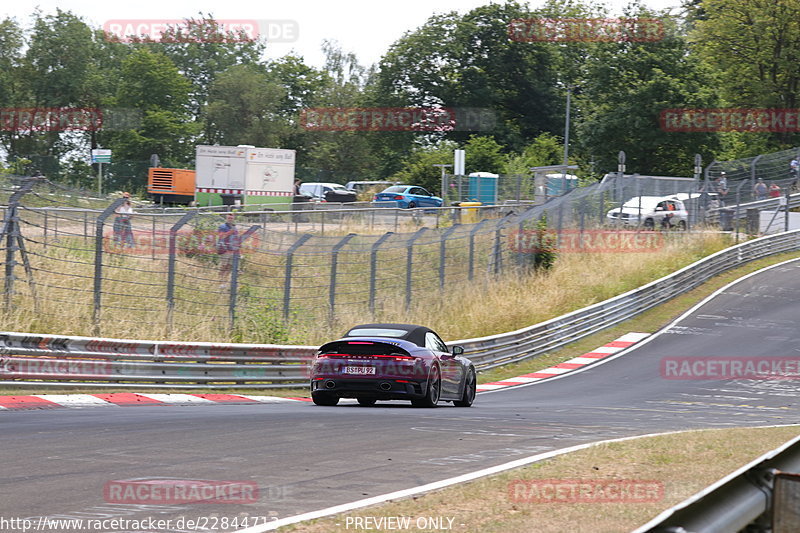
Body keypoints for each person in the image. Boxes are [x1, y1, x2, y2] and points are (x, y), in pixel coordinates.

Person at [217, 213, 240, 285]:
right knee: (223, 266)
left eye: (231, 218)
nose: (230, 219)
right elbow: (221, 237)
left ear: (233, 219)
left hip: (232, 250)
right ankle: (220, 282)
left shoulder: (234, 227)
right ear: (226, 219)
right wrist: (230, 232)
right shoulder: (222, 227)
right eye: (229, 218)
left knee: (230, 266)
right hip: (224, 249)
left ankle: (225, 281)